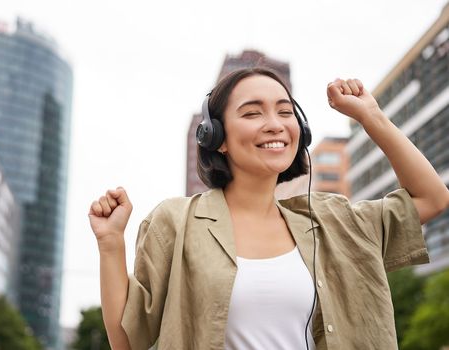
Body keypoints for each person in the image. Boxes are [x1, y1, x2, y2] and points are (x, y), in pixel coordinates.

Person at [88, 67, 449, 350]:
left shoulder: (334, 221)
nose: (274, 124)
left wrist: (371, 116)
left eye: (285, 111)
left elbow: (431, 198)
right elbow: (127, 340)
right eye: (252, 113)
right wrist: (110, 245)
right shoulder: (176, 223)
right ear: (217, 137)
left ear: (300, 129)